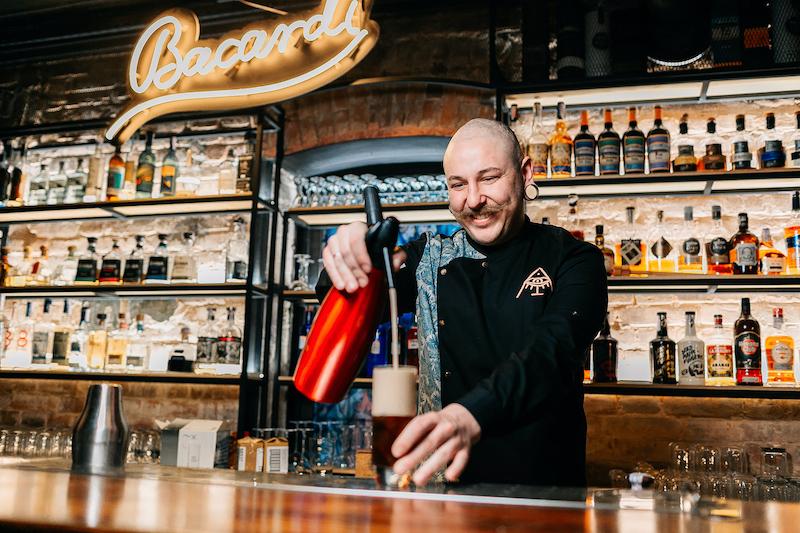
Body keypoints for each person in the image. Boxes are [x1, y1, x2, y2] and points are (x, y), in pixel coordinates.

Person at [319, 118, 608, 487]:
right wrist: (349, 256)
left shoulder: (574, 259)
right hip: (442, 489)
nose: (473, 200)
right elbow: (342, 302)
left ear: (525, 173)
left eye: (489, 178)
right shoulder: (429, 258)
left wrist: (470, 414)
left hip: (545, 493)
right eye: (458, 185)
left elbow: (551, 352)